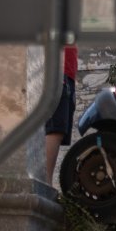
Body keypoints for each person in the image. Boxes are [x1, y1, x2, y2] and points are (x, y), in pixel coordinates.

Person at [45, 45, 78, 184]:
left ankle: (46, 182)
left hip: (66, 72)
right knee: (55, 128)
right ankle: (45, 183)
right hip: (56, 68)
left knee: (58, 129)